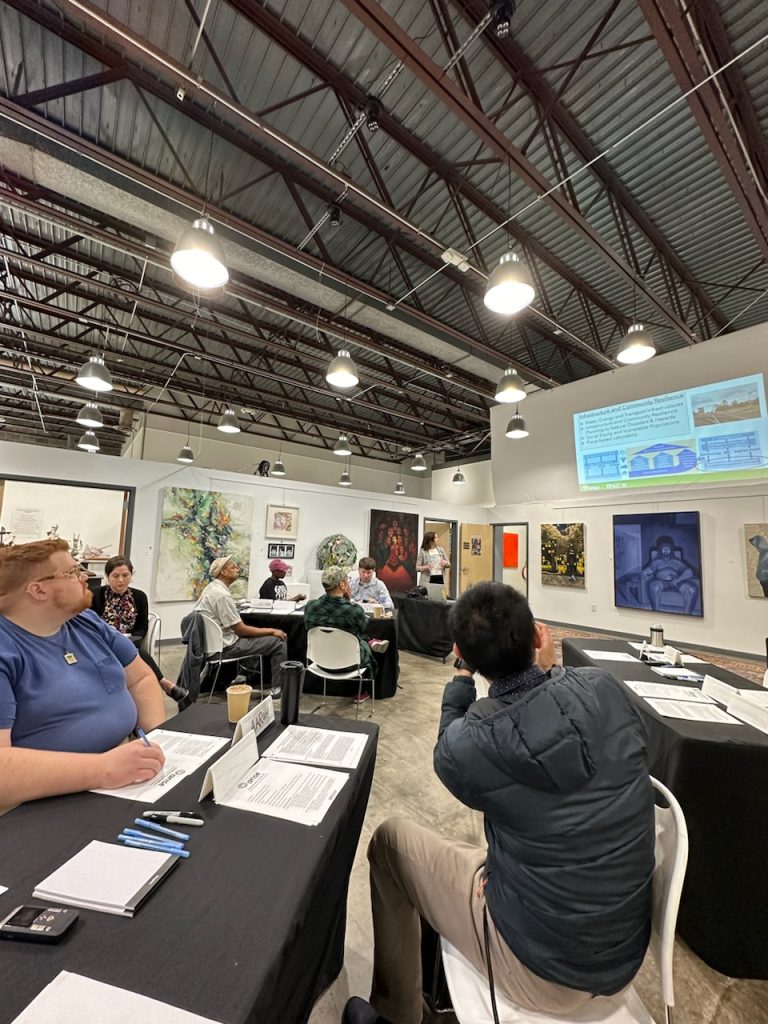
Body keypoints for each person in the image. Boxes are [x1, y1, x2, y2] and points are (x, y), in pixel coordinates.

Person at [344, 582, 654, 1024]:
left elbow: (447, 751)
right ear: (538, 637)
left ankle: (396, 1014)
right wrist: (550, 675)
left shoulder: (475, 743)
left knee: (390, 842)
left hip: (542, 965)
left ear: (461, 652)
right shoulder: (606, 688)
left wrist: (460, 680)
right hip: (623, 950)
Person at [0, 539, 166, 806]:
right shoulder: (6, 649)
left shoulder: (82, 621)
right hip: (44, 800)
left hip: (121, 771)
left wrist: (158, 740)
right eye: (72, 572)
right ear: (38, 590)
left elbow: (141, 678)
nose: (85, 577)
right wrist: (103, 768)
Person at [91, 555, 189, 704]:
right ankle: (164, 682)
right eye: (115, 576)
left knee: (129, 647)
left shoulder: (139, 597)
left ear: (132, 575)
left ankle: (152, 689)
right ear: (107, 576)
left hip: (131, 640)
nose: (121, 580)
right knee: (127, 648)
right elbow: (92, 625)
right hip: (102, 641)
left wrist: (132, 638)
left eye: (125, 575)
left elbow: (142, 627)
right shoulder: (96, 595)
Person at [195, 556, 288, 694]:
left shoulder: (210, 589)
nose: (237, 569)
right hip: (226, 648)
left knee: (256, 639)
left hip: (211, 647)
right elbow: (241, 630)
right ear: (223, 573)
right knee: (278, 642)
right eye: (233, 567)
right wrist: (272, 631)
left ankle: (250, 677)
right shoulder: (222, 596)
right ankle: (277, 688)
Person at [304, 565, 389, 704]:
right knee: (360, 641)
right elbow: (362, 630)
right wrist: (348, 600)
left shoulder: (311, 606)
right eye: (347, 580)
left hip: (319, 661)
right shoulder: (354, 611)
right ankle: (364, 689)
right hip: (350, 663)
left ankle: (371, 642)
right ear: (342, 585)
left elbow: (308, 627)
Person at [640, 534, 699, 614]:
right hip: (662, 582)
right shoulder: (656, 562)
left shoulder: (676, 561)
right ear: (660, 549)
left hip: (676, 582)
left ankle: (687, 614)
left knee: (692, 589)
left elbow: (689, 572)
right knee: (654, 586)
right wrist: (644, 572)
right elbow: (649, 569)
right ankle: (657, 612)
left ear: (671, 549)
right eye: (663, 548)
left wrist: (677, 580)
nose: (665, 550)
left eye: (667, 548)